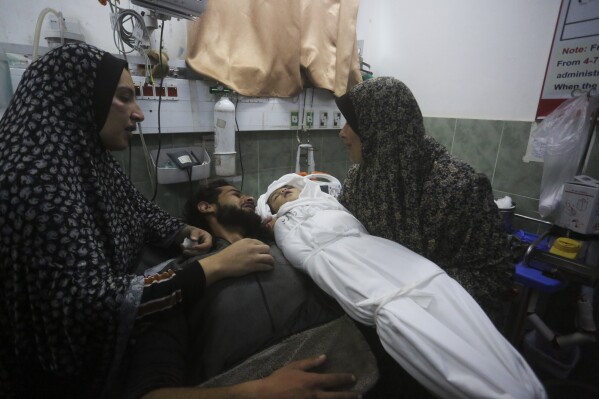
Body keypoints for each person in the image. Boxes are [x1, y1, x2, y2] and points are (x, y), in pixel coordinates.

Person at [0, 43, 359, 399]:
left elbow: (139, 209)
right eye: (124, 97)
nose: (139, 113)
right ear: (74, 99)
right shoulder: (33, 177)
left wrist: (182, 230)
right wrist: (209, 269)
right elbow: (86, 309)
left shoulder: (89, 162)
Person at [257, 173, 547, 399]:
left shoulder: (328, 204)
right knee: (405, 316)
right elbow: (300, 247)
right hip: (346, 266)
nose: (283, 192)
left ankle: (522, 383)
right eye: (276, 196)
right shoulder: (283, 224)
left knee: (439, 291)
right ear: (269, 211)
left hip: (386, 254)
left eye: (288, 188)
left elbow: (347, 223)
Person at [117, 179, 377, 398]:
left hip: (353, 365)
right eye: (236, 194)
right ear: (206, 207)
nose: (250, 197)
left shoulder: (289, 245)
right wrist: (258, 391)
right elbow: (151, 393)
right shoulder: (178, 280)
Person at [335, 76, 514, 330]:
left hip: (442, 327)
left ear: (381, 130)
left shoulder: (456, 188)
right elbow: (343, 230)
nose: (342, 133)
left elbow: (495, 278)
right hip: (377, 315)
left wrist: (411, 286)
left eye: (352, 123)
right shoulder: (360, 178)